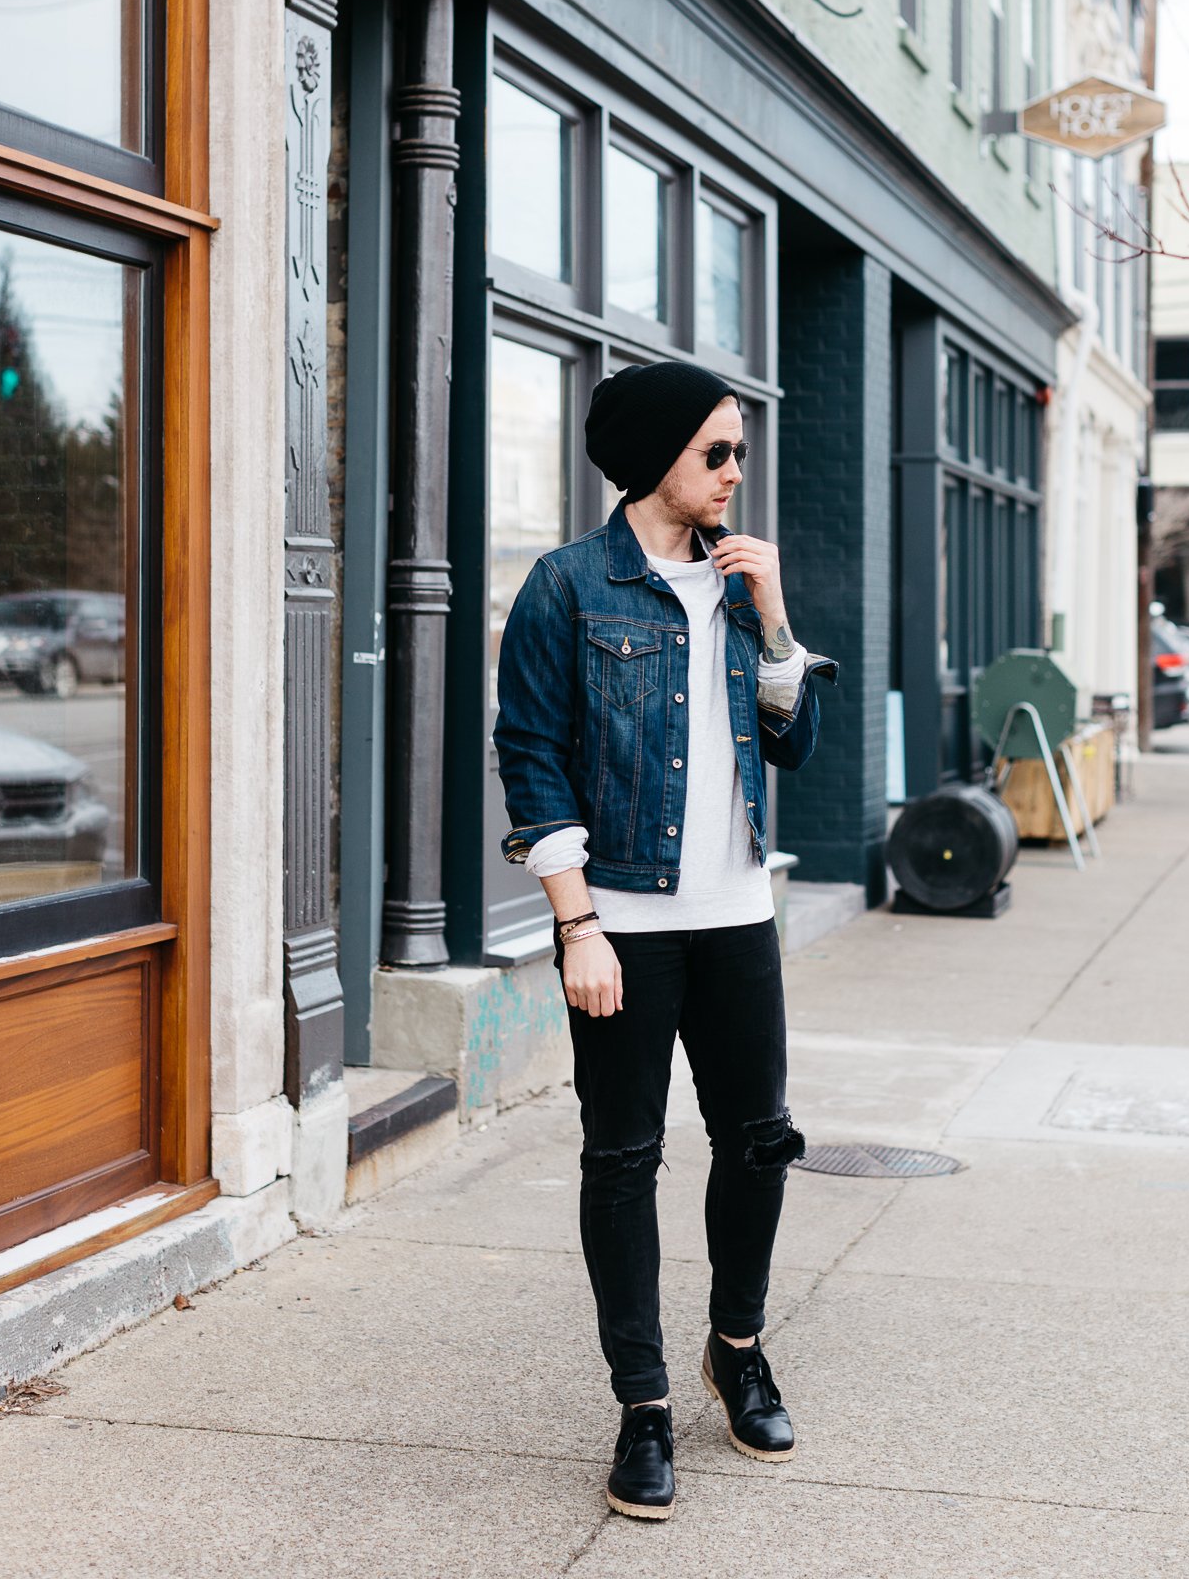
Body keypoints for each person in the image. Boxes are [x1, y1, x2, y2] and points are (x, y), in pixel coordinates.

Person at [494, 360, 836, 1521]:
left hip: (737, 914)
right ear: (655, 459)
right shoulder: (566, 587)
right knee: (623, 1157)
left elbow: (792, 749)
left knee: (759, 1141)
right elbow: (529, 754)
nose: (736, 473)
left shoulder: (744, 587)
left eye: (739, 451)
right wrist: (576, 919)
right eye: (717, 452)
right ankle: (643, 1404)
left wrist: (779, 624)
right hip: (623, 925)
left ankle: (734, 1348)